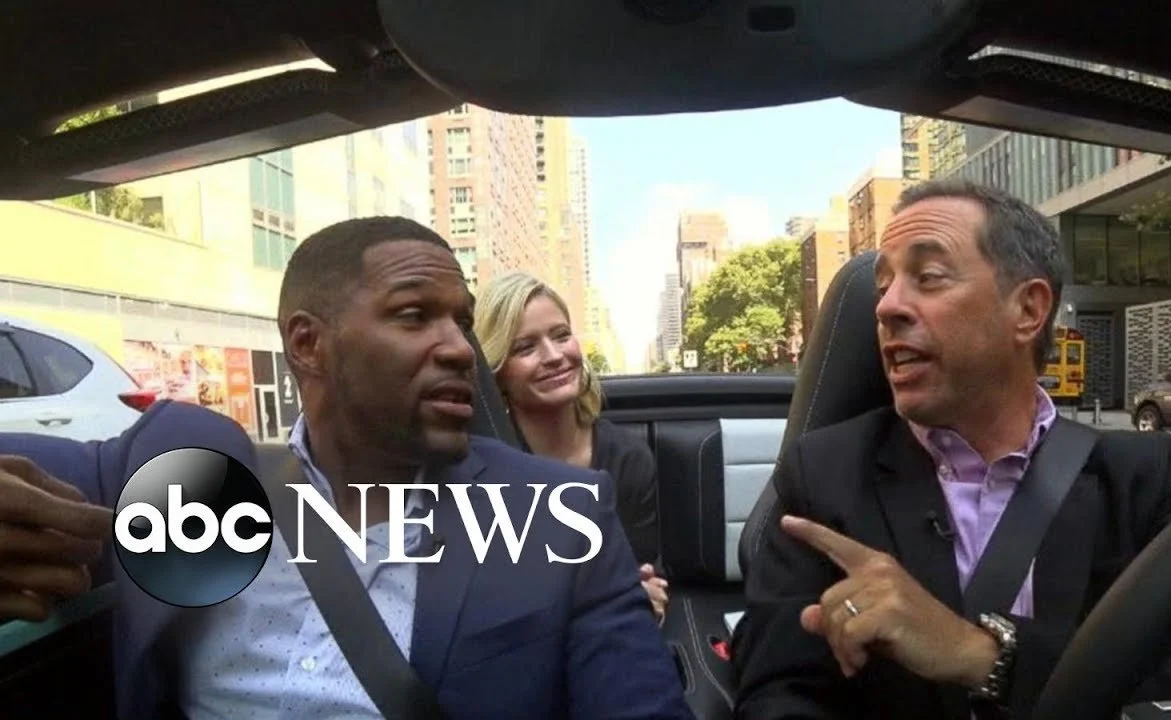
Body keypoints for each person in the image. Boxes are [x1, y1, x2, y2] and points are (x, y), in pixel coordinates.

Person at [0, 216, 693, 720]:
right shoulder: (180, 470)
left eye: (462, 321)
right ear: (309, 344)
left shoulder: (561, 514)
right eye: (415, 315)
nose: (459, 348)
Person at [730, 180, 1171, 719]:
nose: (887, 306)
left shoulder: (1140, 477)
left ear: (1028, 310)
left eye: (929, 277)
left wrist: (981, 655)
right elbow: (777, 695)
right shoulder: (822, 475)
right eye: (884, 285)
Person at [473, 271, 669, 624]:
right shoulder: (482, 468)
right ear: (497, 371)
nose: (553, 356)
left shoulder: (629, 457)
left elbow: (642, 579)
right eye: (525, 347)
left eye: (561, 336)